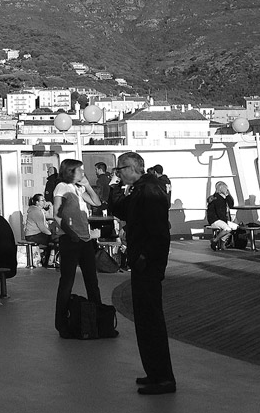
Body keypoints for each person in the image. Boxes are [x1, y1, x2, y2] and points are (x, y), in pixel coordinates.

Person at [111, 151, 175, 395]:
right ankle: (155, 373)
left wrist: (144, 258)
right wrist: (117, 186)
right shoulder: (140, 189)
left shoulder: (149, 190)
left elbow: (159, 232)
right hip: (143, 263)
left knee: (151, 319)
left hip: (147, 264)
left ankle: (163, 377)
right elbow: (121, 210)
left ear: (132, 167)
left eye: (120, 169)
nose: (118, 173)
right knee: (145, 319)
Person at [52, 159, 102, 339]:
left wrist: (87, 185)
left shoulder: (78, 189)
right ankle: (61, 323)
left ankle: (98, 319)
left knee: (92, 280)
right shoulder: (61, 188)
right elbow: (56, 215)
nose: (83, 173)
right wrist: (70, 233)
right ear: (70, 171)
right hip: (70, 240)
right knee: (67, 281)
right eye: (79, 170)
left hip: (85, 239)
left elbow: (97, 202)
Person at [24, 194, 56, 267]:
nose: (44, 202)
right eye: (42, 200)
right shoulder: (36, 211)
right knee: (53, 240)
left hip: (36, 234)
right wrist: (51, 234)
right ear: (37, 202)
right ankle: (48, 263)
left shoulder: (39, 210)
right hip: (32, 235)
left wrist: (50, 206)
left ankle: (47, 261)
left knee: (52, 239)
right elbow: (42, 227)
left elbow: (50, 216)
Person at [205, 181, 236, 250]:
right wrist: (225, 221)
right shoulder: (216, 198)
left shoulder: (223, 197)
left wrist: (228, 195)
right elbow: (219, 212)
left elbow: (231, 205)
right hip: (215, 219)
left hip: (221, 219)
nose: (227, 189)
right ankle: (215, 240)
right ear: (221, 188)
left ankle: (222, 241)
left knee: (235, 228)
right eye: (225, 188)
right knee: (227, 229)